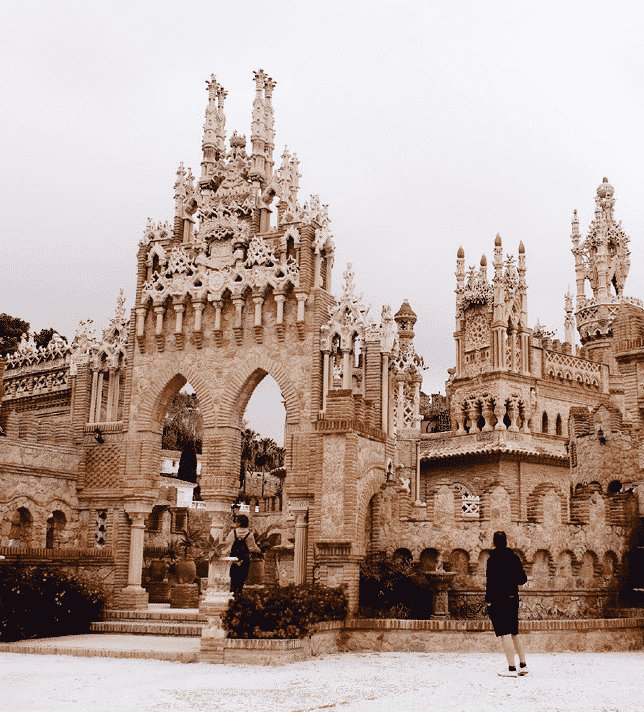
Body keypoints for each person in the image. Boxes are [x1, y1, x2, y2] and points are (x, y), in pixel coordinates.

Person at [485, 530, 528, 677]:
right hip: (512, 598)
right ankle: (523, 665)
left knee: (505, 633)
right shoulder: (514, 558)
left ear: (494, 543)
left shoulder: (492, 560)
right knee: (514, 632)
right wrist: (511, 579)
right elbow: (523, 579)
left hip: (498, 600)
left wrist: (488, 601)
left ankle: (511, 668)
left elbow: (490, 583)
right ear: (506, 542)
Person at [221, 514, 261, 597]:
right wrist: (260, 550)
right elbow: (252, 548)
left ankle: (232, 598)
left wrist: (222, 553)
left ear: (239, 523)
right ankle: (238, 597)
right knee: (241, 581)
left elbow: (227, 546)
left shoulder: (233, 533)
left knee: (233, 580)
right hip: (244, 561)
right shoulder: (249, 535)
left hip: (233, 560)